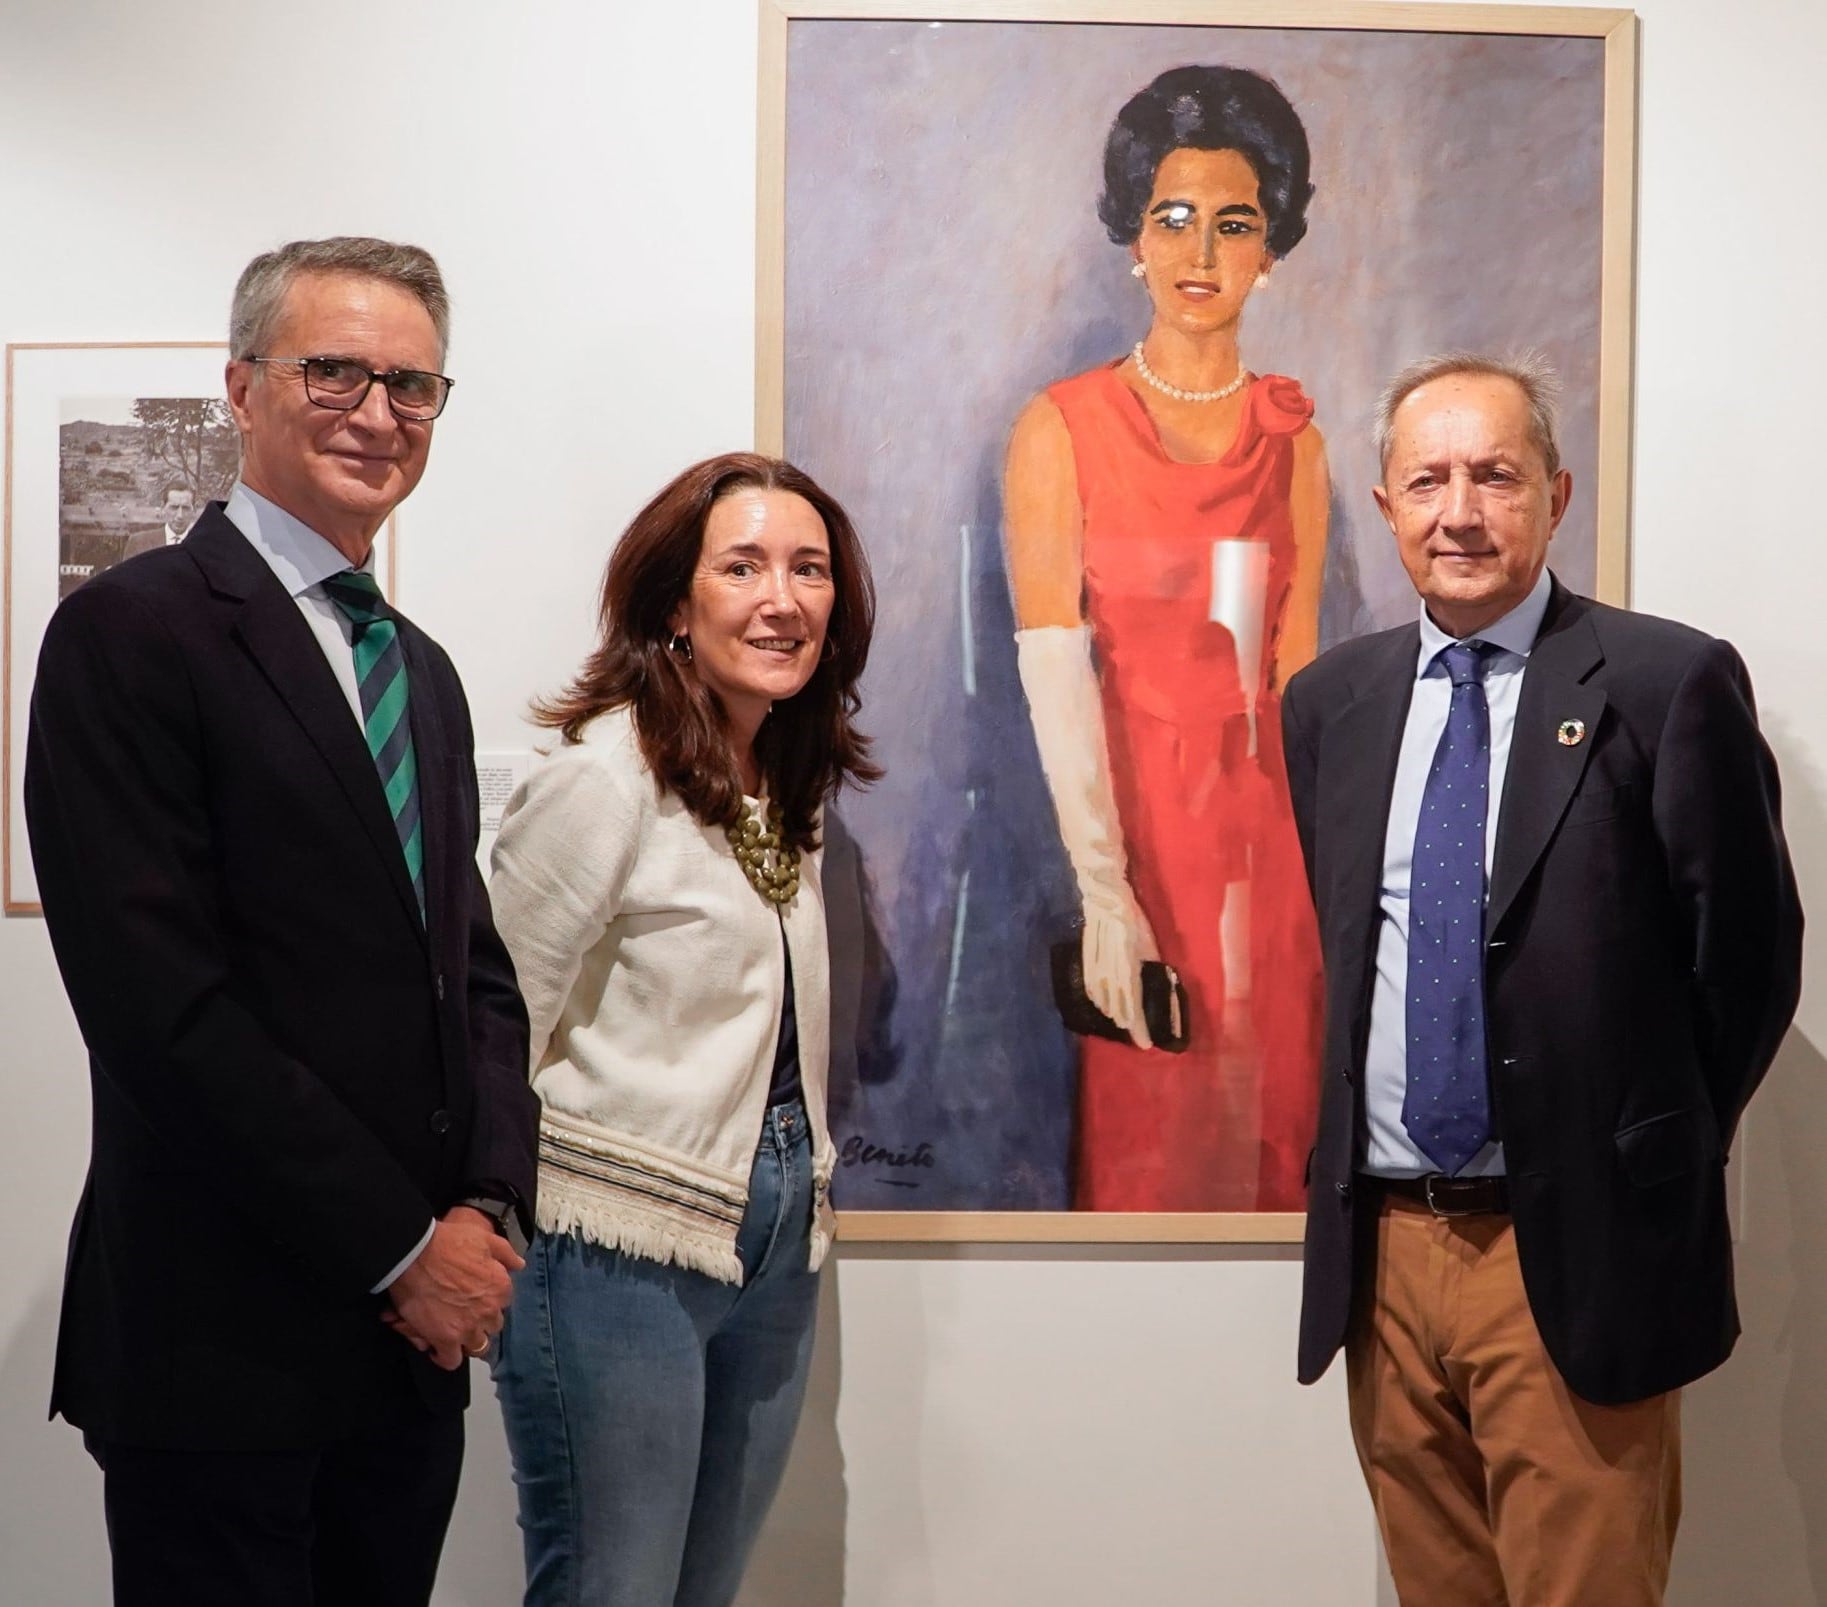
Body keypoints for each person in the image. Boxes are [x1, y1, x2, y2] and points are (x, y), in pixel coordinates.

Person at [24, 236, 539, 1607]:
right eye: (335, 371)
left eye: (413, 385)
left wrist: (486, 1210)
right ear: (242, 388)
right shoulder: (130, 635)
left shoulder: (415, 669)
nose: (378, 412)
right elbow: (160, 1005)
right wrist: (401, 1244)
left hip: (405, 1356)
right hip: (223, 1337)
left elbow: (471, 980)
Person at [1282, 351, 1802, 1604]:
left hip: (1569, 1245)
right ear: (1386, 500)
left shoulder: (1665, 682)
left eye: (1496, 476)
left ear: (1556, 496)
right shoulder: (1328, 703)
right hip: (1388, 1255)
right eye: (1429, 479)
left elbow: (1747, 967)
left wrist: (1634, 1152)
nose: (1460, 510)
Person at [486, 452, 878, 1606]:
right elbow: (494, 1017)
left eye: (809, 570)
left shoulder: (785, 780)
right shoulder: (605, 776)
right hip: (614, 1245)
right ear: (674, 601)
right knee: (614, 1589)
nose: (783, 597)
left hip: (772, 1244)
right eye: (744, 565)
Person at [1002, 63, 1327, 1211]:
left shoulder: (1296, 435)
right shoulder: (1062, 428)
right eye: (1173, 219)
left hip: (1278, 856)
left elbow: (1300, 677)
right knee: (1151, 1161)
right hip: (1133, 839)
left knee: (1280, 1155)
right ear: (1131, 237)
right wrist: (1106, 889)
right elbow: (1054, 668)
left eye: (1233, 223)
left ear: (1270, 245)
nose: (1201, 252)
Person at [119, 480, 197, 560]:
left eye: (186, 508)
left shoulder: (203, 546)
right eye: (174, 507)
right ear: (163, 508)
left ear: (194, 510)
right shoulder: (139, 543)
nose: (180, 515)